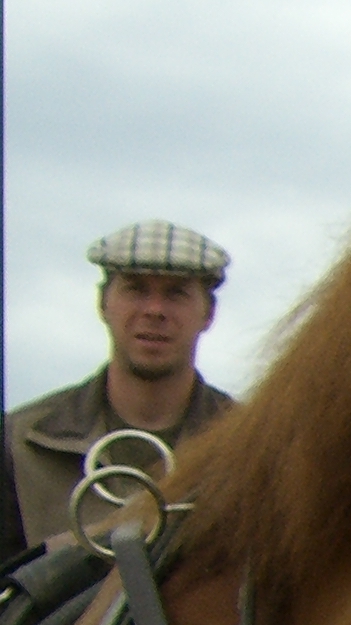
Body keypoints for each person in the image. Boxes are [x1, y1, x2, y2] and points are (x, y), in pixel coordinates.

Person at [8, 220, 240, 548]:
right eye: (136, 289)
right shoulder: (22, 443)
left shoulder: (250, 447)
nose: (155, 310)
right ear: (103, 303)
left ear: (209, 313)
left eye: (176, 294)